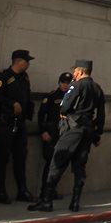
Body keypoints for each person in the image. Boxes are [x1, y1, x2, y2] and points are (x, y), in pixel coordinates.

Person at [28, 58, 105, 213]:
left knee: (57, 162)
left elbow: (64, 107)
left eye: (75, 70)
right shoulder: (97, 88)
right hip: (88, 129)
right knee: (79, 166)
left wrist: (65, 113)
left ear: (81, 71)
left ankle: (46, 201)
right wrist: (97, 133)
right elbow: (102, 114)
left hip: (73, 128)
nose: (73, 73)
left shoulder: (76, 85)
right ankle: (75, 202)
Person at [0, 49, 35, 203]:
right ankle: (1, 192)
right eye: (27, 61)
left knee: (20, 157)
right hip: (6, 122)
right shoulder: (4, 78)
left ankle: (22, 190)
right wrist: (12, 103)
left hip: (20, 122)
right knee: (2, 158)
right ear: (19, 61)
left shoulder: (24, 78)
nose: (28, 64)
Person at [36, 72, 72, 200]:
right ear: (59, 82)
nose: (65, 85)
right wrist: (42, 131)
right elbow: (41, 116)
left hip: (64, 134)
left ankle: (52, 190)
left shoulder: (72, 97)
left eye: (68, 83)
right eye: (63, 82)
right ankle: (44, 191)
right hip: (51, 134)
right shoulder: (51, 97)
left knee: (60, 164)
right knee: (50, 163)